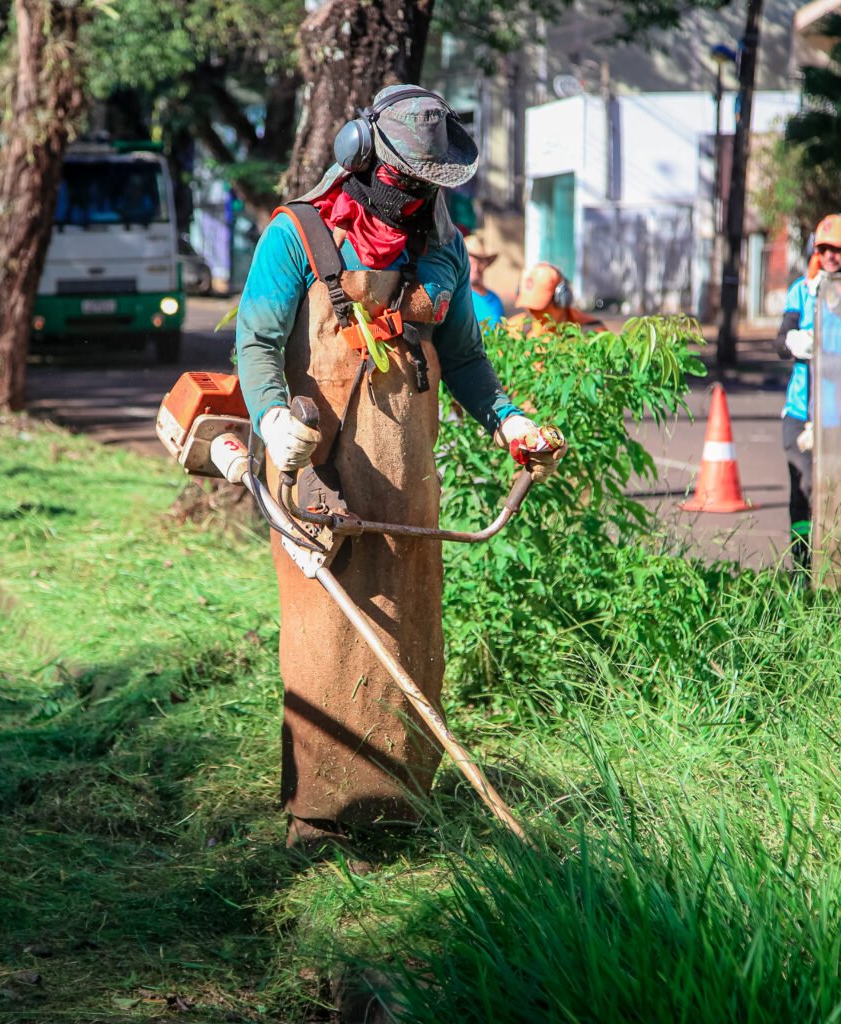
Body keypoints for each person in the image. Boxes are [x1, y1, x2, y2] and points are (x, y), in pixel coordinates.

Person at [235, 84, 567, 850]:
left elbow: (465, 360)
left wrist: (508, 420)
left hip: (407, 486)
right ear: (359, 156)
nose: (413, 197)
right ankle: (318, 816)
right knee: (323, 646)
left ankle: (401, 807)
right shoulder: (298, 235)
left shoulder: (441, 253)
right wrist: (274, 419)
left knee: (406, 640)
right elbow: (256, 343)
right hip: (315, 476)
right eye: (402, 178)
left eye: (427, 184)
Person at [774, 213, 841, 573]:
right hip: (802, 413)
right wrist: (793, 342)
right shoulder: (801, 291)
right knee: (803, 490)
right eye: (822, 250)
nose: (829, 256)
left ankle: (835, 572)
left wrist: (837, 302)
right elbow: (781, 340)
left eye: (836, 249)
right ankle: (802, 569)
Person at [507, 262, 601, 335]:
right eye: (529, 307)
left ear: (562, 299)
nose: (532, 313)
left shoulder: (590, 331)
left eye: (539, 308)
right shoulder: (514, 328)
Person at [465, 233, 505, 328]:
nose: (475, 268)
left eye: (480, 263)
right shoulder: (459, 298)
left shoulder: (495, 299)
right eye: (471, 263)